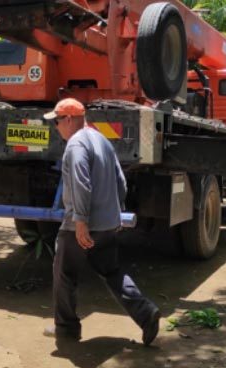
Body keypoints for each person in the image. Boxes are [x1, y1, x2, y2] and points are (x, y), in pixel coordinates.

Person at [43, 98, 161, 346]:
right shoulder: (101, 140)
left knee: (64, 273)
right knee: (111, 270)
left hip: (81, 226)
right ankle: (146, 312)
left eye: (56, 122)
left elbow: (80, 183)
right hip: (107, 223)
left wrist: (81, 222)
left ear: (68, 119)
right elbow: (121, 181)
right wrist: (116, 214)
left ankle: (66, 330)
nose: (56, 127)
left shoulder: (76, 145)